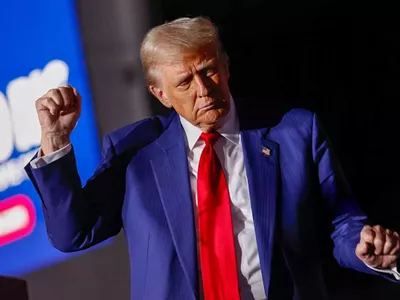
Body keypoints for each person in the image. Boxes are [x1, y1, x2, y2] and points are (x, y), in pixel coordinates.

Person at [25, 16, 400, 300]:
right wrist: (55, 140)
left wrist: (365, 250)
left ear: (226, 66)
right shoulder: (135, 150)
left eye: (209, 71)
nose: (203, 90)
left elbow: (342, 220)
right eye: (185, 82)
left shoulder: (295, 130)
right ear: (161, 94)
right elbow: (73, 234)